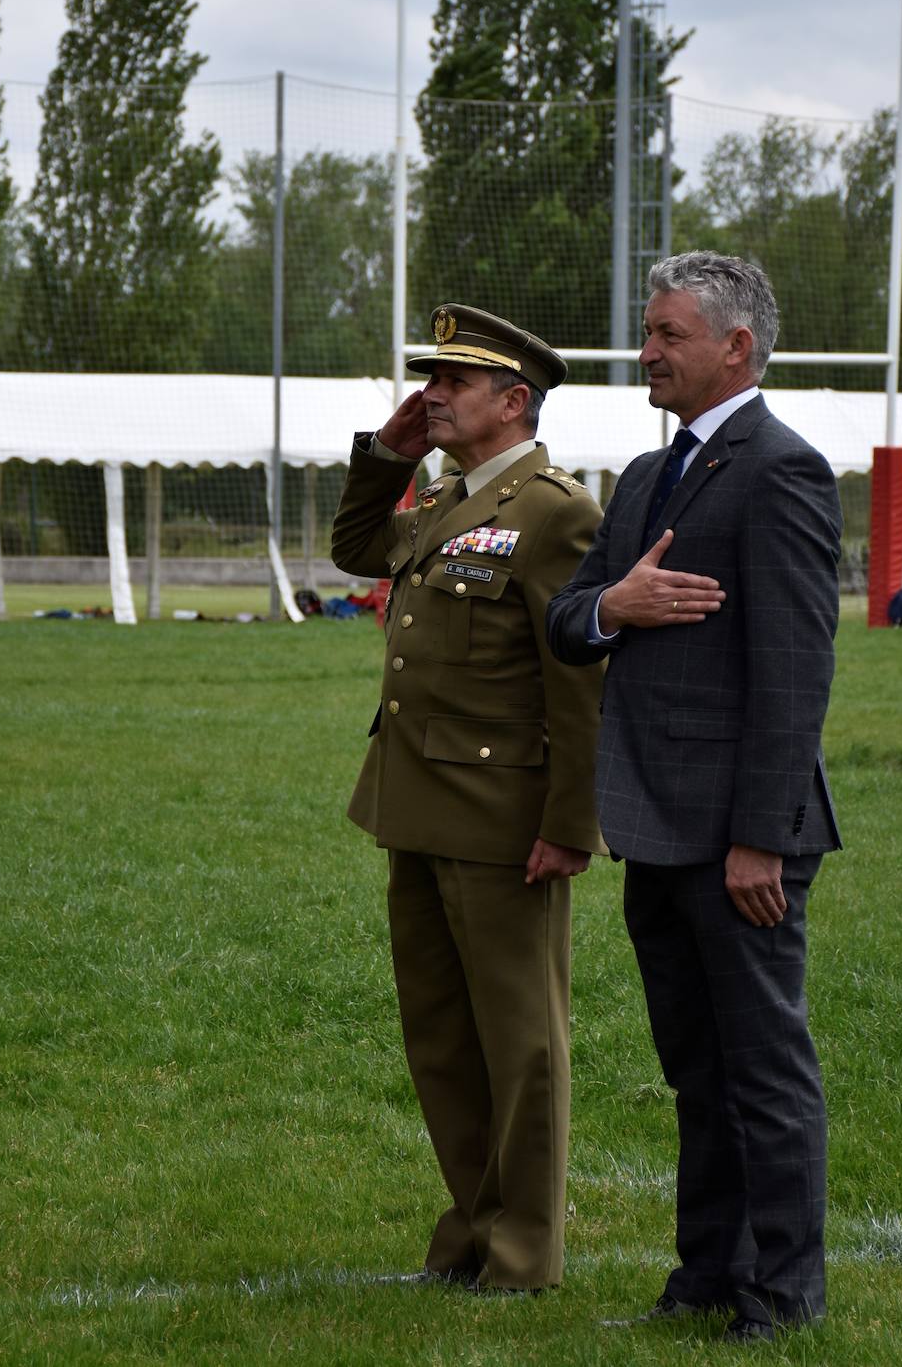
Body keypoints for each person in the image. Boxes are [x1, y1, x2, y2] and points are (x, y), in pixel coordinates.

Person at [546, 252, 842, 1343]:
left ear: (733, 347)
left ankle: (783, 1293)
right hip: (651, 824)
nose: (645, 354)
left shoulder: (782, 470)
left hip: (737, 840)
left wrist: (759, 839)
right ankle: (706, 1277)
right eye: (646, 332)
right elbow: (567, 623)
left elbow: (795, 668)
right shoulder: (640, 474)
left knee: (761, 1072)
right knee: (695, 1071)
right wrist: (612, 607)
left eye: (666, 335)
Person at [331, 303, 606, 1293]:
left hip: (503, 823)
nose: (431, 394)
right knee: (443, 1041)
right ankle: (468, 1232)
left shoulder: (554, 510)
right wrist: (383, 456)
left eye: (451, 381)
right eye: (430, 378)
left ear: (512, 400)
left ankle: (523, 1252)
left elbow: (578, 680)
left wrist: (568, 825)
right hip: (415, 803)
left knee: (520, 1044)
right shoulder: (451, 500)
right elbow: (357, 548)